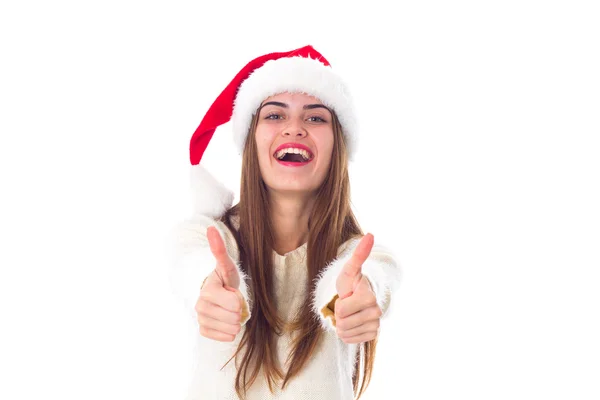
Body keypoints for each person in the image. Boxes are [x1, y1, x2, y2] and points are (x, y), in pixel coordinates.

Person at [169, 45, 402, 400]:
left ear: (337, 146)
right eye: (275, 116)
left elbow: (375, 273)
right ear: (252, 141)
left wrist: (356, 296)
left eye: (315, 117)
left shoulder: (357, 255)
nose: (294, 128)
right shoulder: (208, 237)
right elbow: (192, 262)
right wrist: (208, 288)